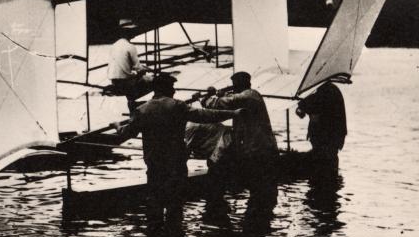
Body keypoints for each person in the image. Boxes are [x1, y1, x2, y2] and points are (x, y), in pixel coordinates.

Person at [114, 73, 239, 219]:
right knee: (175, 206)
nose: (174, 91)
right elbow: (206, 115)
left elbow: (126, 133)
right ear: (165, 88)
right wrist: (233, 113)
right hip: (176, 164)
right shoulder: (178, 106)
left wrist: (117, 126)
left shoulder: (142, 110)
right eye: (172, 87)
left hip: (155, 164)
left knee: (155, 204)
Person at [202, 71, 279, 212]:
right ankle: (258, 217)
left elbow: (222, 103)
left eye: (235, 85)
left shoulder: (250, 96)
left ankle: (258, 217)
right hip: (256, 149)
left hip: (260, 150)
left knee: (261, 188)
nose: (233, 87)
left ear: (241, 84)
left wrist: (208, 97)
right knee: (259, 188)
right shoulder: (248, 96)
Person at [296, 81, 347, 177]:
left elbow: (302, 109)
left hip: (326, 141)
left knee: (322, 169)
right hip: (333, 141)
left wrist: (303, 109)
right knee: (329, 168)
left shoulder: (324, 93)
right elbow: (303, 108)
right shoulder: (331, 91)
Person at [107, 19, 154, 111]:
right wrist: (147, 69)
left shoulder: (114, 46)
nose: (134, 33)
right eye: (132, 31)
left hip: (114, 81)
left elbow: (122, 64)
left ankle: (132, 102)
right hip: (125, 83)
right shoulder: (130, 46)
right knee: (154, 81)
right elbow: (138, 68)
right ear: (127, 32)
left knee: (137, 77)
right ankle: (142, 104)